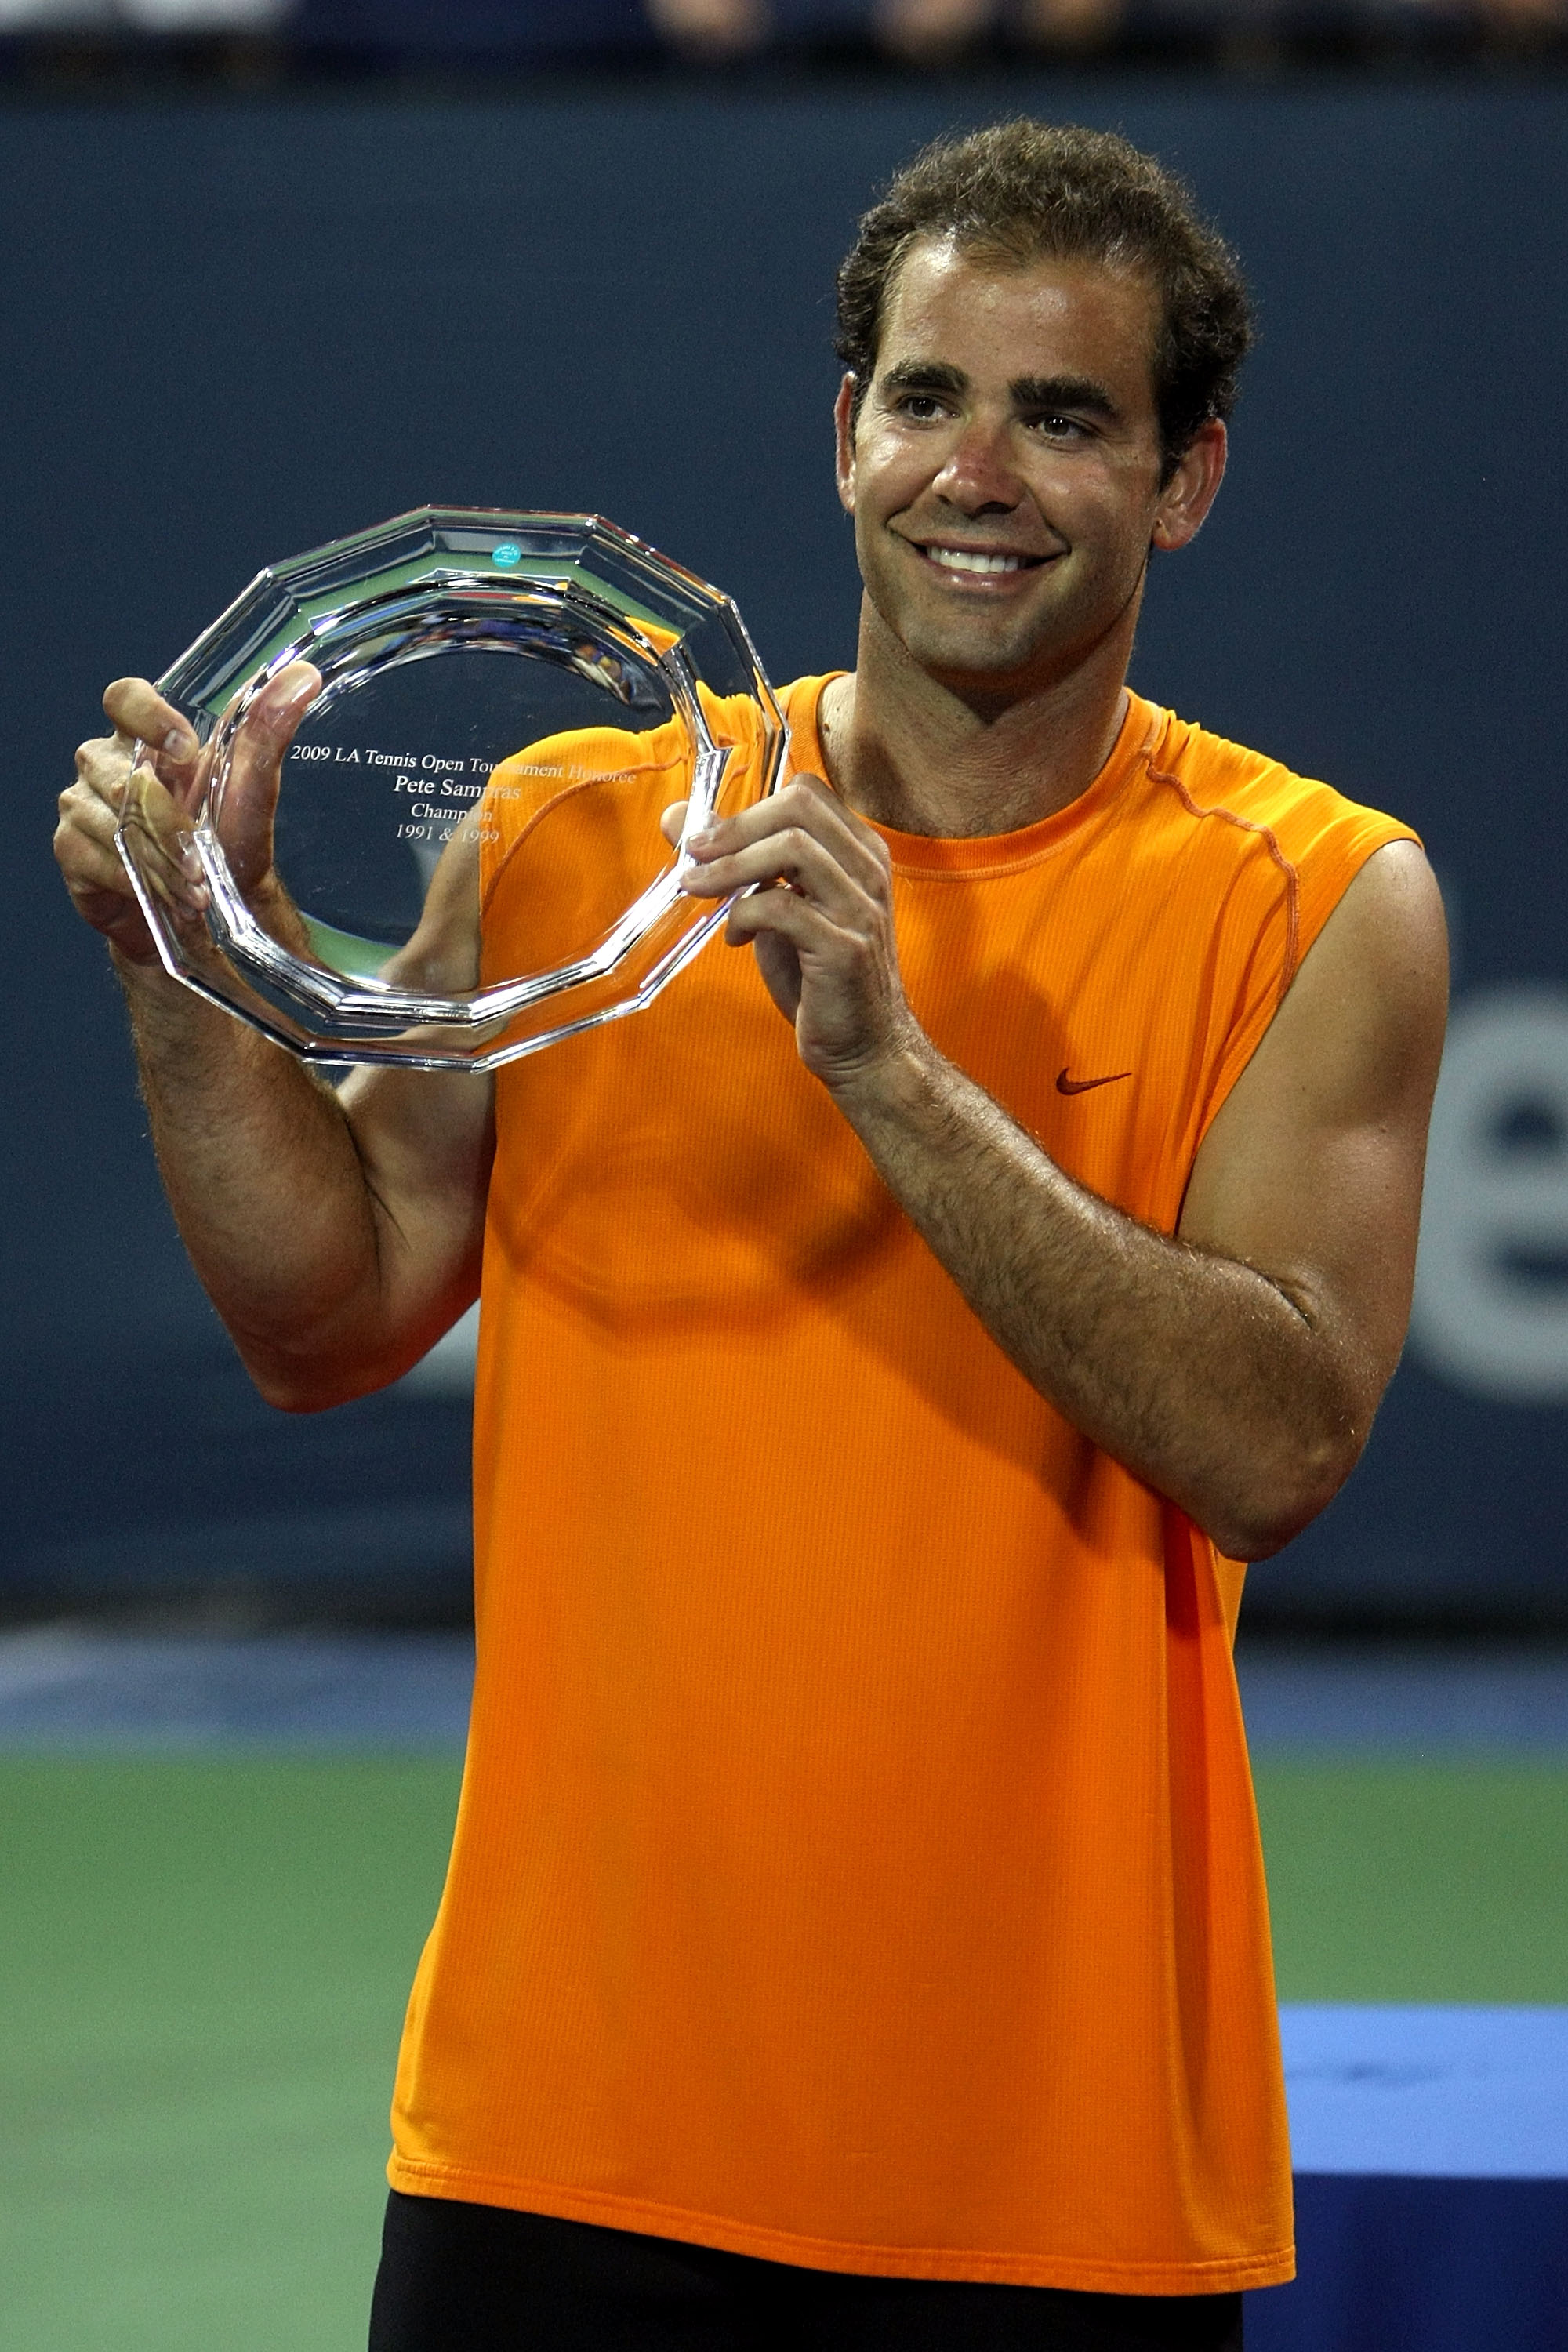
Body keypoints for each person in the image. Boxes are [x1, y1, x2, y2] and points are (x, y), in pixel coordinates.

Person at [56, 120, 1446, 2352]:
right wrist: (176, 975)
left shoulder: (1319, 899)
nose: (975, 473)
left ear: (1182, 479)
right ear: (844, 430)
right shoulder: (576, 828)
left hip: (1047, 2168)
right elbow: (330, 1317)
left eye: (1062, 416)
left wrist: (888, 1065)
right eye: (927, 398)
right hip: (560, 2131)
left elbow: (1278, 1447)